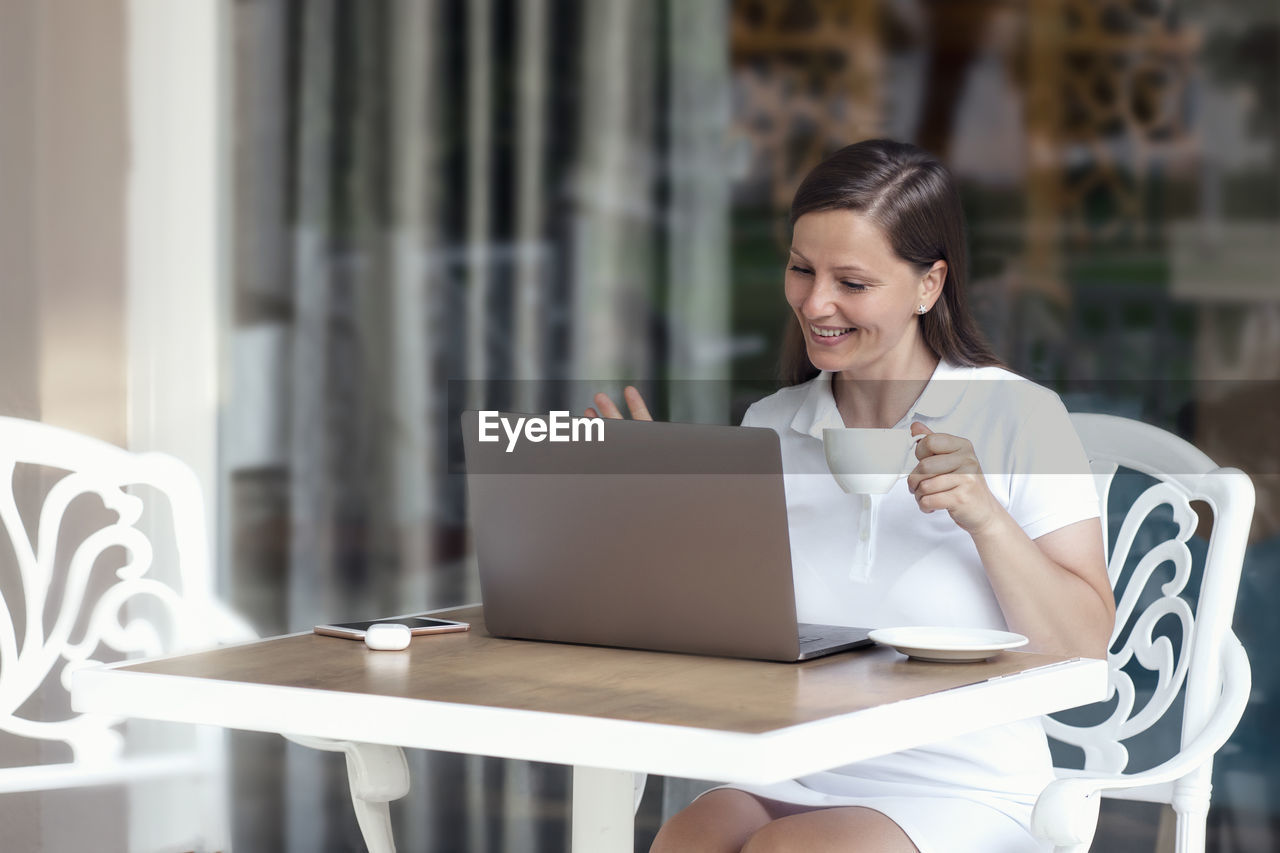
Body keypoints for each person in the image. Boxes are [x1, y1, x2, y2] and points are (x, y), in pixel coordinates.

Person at [587, 138, 1115, 853]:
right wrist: (663, 512)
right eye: (802, 269)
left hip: (964, 783)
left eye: (852, 282)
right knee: (689, 838)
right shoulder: (772, 424)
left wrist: (986, 518)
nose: (815, 302)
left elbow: (1085, 647)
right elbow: (728, 633)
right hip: (789, 761)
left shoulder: (1019, 418)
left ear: (929, 285)